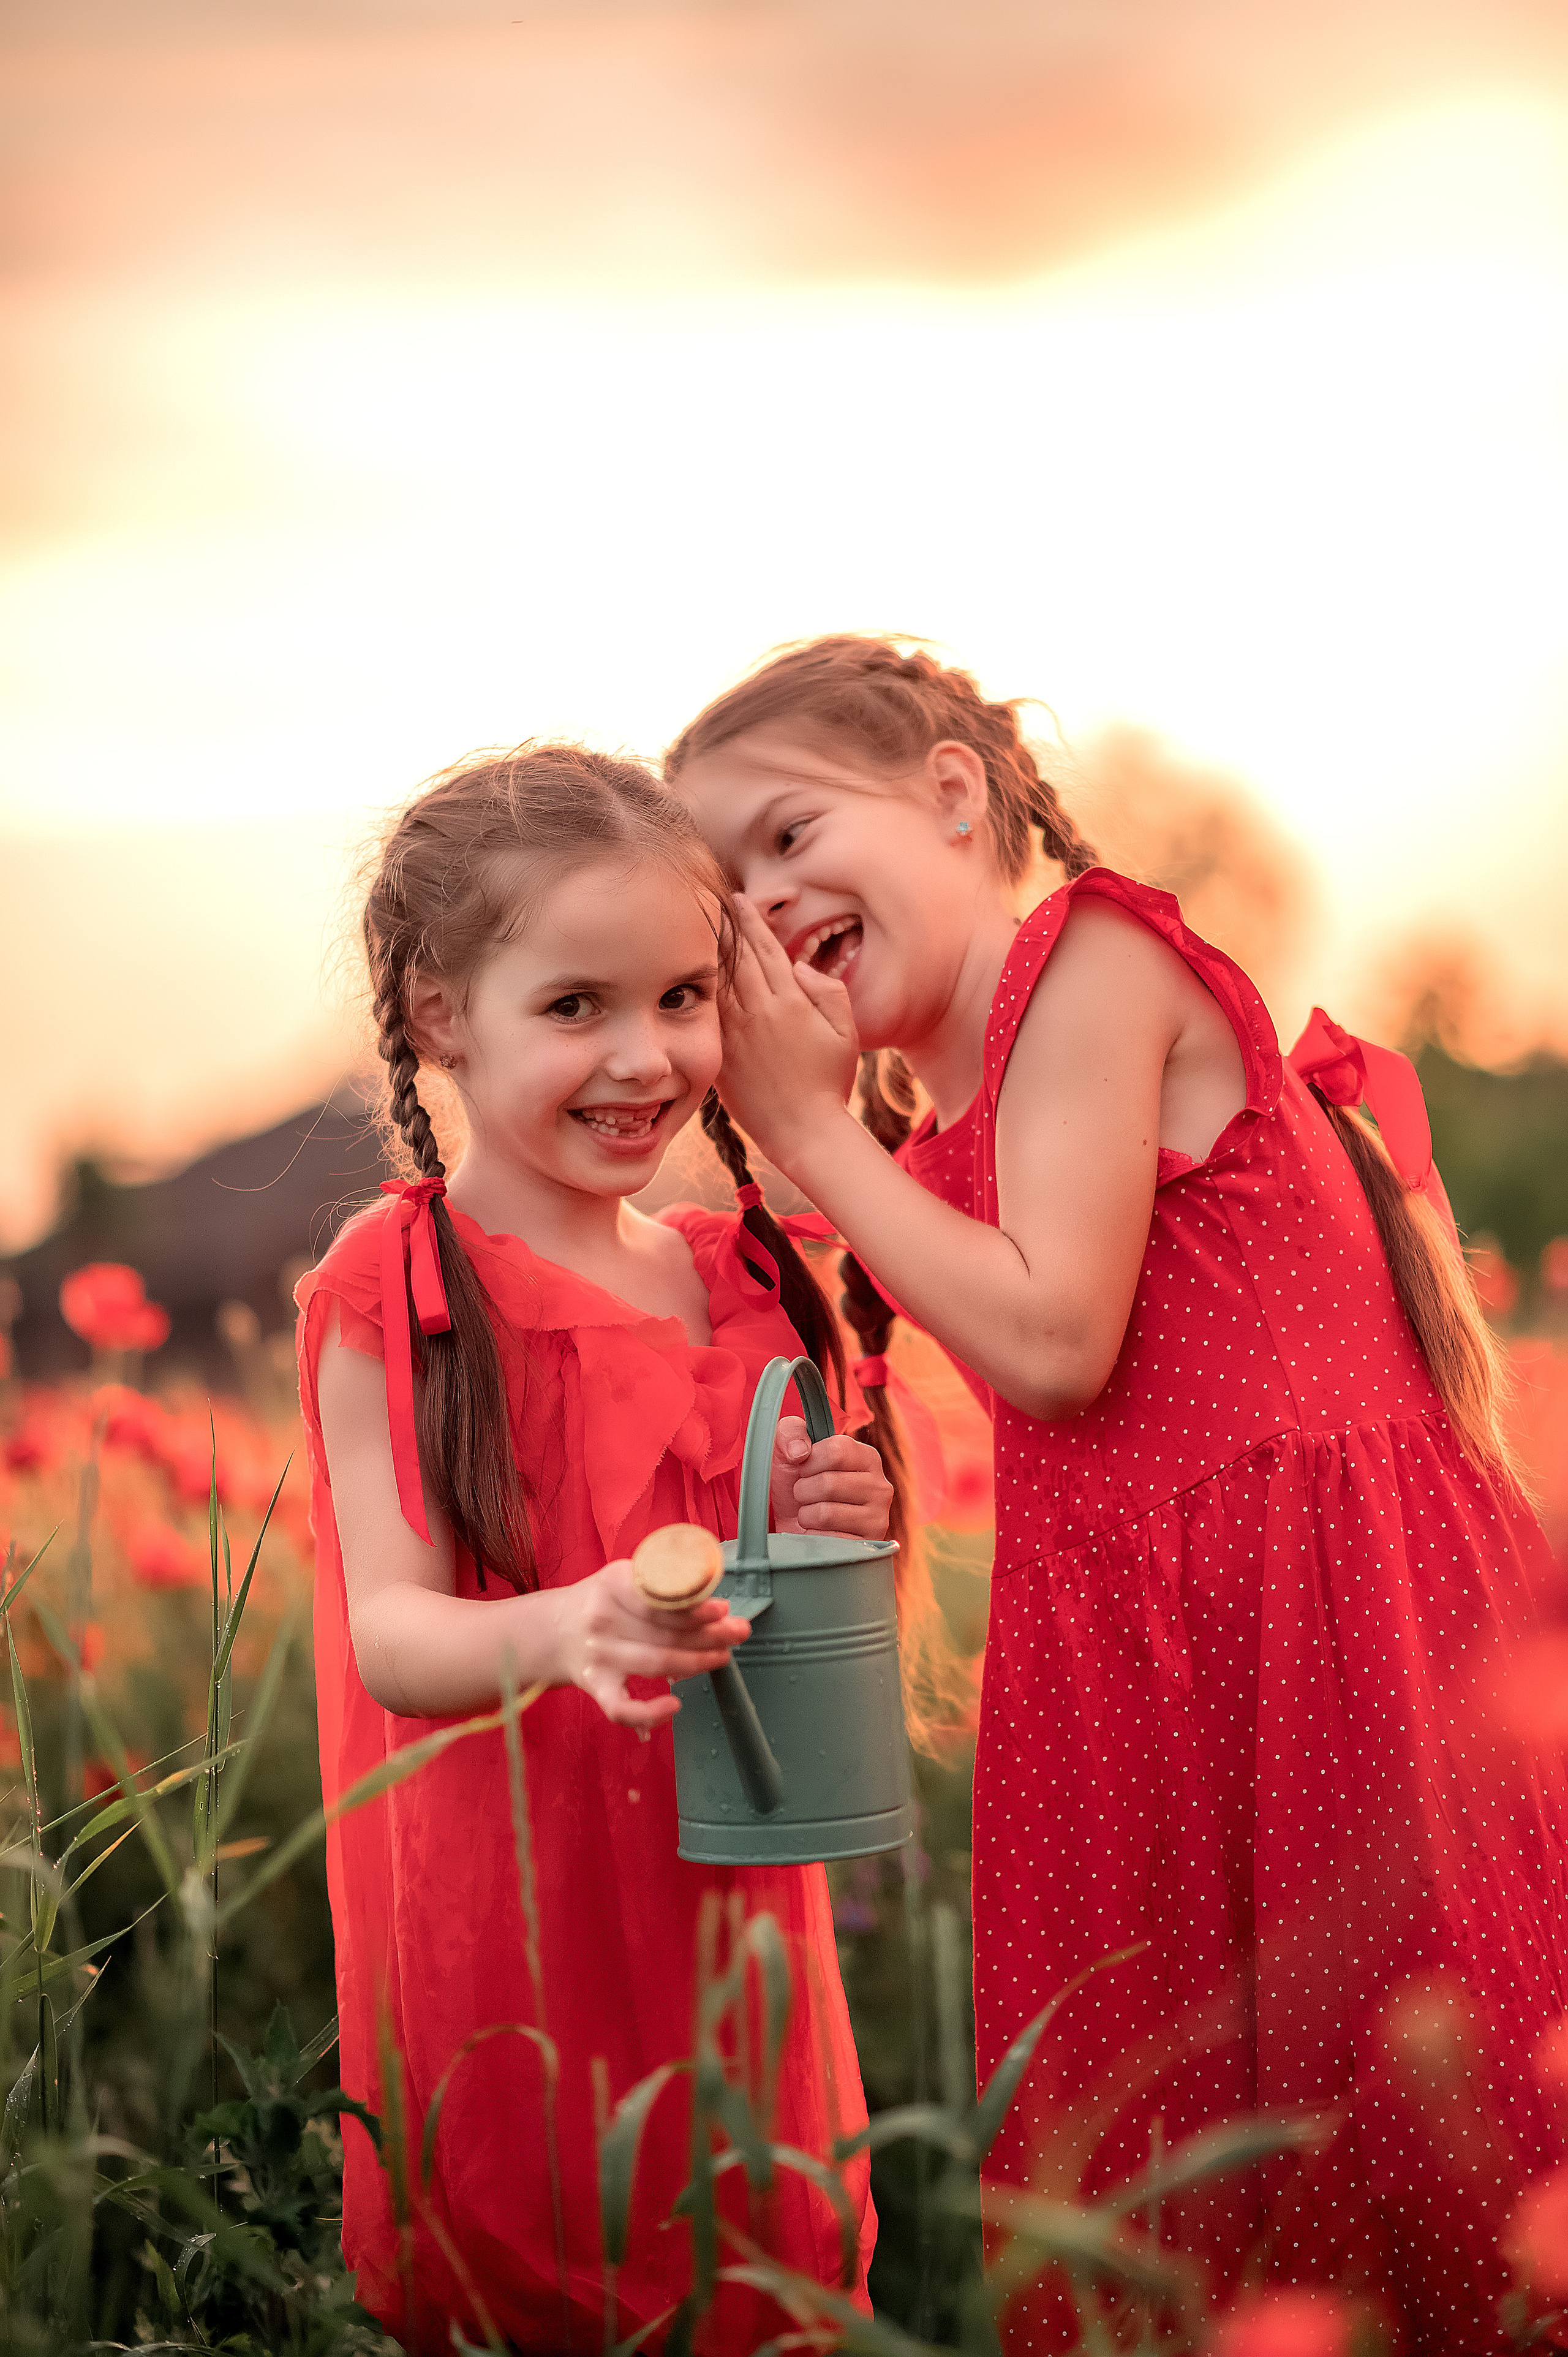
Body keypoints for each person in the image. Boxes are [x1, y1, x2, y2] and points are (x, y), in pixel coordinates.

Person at [668, 637, 1568, 2348]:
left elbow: (1061, 1344)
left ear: (953, 791)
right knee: (1165, 2180)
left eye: (788, 836)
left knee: (1401, 2124)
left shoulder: (1087, 960)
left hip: (1318, 1641)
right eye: (723, 892)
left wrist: (816, 1137)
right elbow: (1044, 1414)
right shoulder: (940, 1122)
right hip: (1139, 1676)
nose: (762, 903)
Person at [295, 744, 895, 2353]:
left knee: (746, 2281)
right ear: (439, 1015)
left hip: (728, 1932)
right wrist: (571, 1626)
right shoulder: (403, 1282)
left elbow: (789, 1629)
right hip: (517, 1938)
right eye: (577, 1008)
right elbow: (395, 1637)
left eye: (684, 998)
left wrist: (845, 1524)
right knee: (541, 2280)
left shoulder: (740, 1279)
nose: (646, 1057)